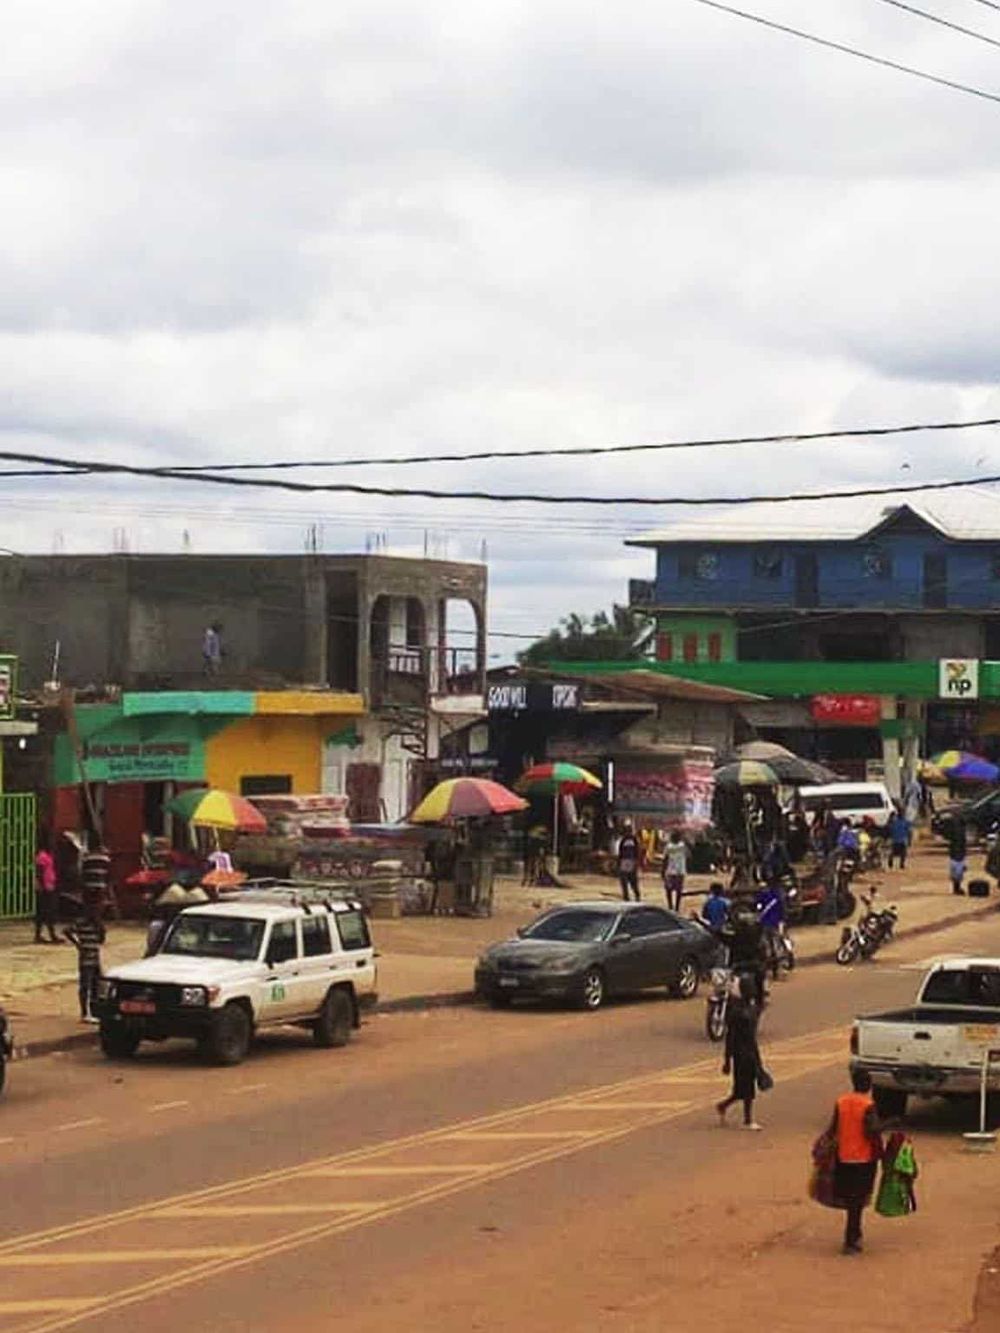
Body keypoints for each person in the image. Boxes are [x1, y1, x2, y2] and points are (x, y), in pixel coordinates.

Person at [826, 1067, 883, 1254]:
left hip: (843, 1157)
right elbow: (871, 1131)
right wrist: (890, 1123)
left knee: (851, 1200)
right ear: (868, 1085)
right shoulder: (868, 1105)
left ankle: (854, 1235)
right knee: (857, 1201)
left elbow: (833, 1129)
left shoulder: (841, 1102)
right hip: (863, 1158)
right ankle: (851, 1239)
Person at [715, 973, 763, 1131]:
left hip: (750, 1051)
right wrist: (727, 1060)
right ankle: (748, 1120)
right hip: (741, 1053)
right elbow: (731, 1037)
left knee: (743, 1089)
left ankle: (723, 1105)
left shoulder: (751, 1008)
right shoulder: (737, 1012)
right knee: (746, 1088)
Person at [65, 894, 106, 1023]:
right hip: (86, 958)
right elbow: (67, 931)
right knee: (86, 985)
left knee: (96, 985)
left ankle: (94, 1010)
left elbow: (101, 940)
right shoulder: (82, 922)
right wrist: (78, 944)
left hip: (95, 957)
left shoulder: (97, 924)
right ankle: (85, 1012)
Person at [754, 880, 785, 978]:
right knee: (776, 947)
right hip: (774, 924)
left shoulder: (760, 898)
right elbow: (781, 912)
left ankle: (772, 970)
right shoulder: (776, 897)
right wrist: (781, 923)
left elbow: (758, 910)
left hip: (765, 925)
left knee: (767, 948)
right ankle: (777, 970)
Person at [34, 840, 60, 944]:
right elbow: (39, 871)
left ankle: (43, 935)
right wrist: (42, 885)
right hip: (45, 888)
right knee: (47, 911)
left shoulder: (48, 856)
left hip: (49, 886)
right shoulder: (42, 856)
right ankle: (50, 935)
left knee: (45, 912)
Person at [662, 830, 688, 911]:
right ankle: (676, 907)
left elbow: (665, 859)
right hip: (680, 871)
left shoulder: (668, 846)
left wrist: (663, 870)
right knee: (678, 890)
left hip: (670, 871)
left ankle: (670, 906)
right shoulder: (683, 846)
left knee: (668, 889)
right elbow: (689, 855)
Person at [616, 821, 641, 901]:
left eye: (629, 830)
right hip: (624, 861)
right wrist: (619, 862)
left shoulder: (634, 839)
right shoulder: (623, 840)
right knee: (623, 880)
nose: (627, 832)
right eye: (626, 830)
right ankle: (626, 896)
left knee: (633, 880)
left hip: (631, 861)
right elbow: (620, 852)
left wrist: (636, 862)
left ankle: (637, 895)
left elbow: (637, 851)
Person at [948, 821, 968, 895]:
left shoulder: (953, 836)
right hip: (959, 856)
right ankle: (957, 888)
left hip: (955, 856)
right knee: (958, 873)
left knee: (956, 873)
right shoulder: (961, 836)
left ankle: (956, 888)